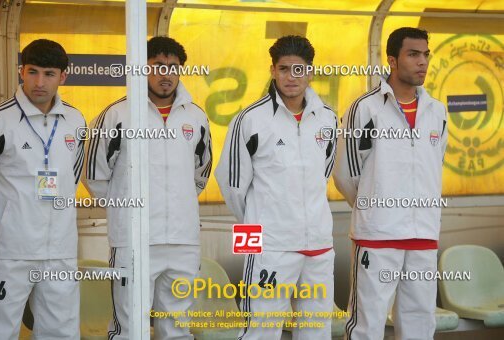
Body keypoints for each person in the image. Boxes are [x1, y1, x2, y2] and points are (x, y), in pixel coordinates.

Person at [84, 36, 212, 340]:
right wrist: (126, 211)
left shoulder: (196, 117)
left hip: (183, 240)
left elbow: (200, 173)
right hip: (134, 241)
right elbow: (95, 176)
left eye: (172, 67)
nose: (165, 74)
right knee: (130, 328)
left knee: (178, 326)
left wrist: (177, 203)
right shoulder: (117, 115)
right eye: (157, 66)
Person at [215, 35, 338, 340]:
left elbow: (323, 174)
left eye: (299, 70)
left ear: (310, 72)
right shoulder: (250, 119)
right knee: (261, 330)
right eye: (284, 69)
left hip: (319, 244)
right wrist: (259, 225)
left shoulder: (329, 118)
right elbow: (231, 184)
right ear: (272, 70)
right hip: (266, 244)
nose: (291, 77)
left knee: (316, 331)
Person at [333, 27, 448, 340]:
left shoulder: (437, 112)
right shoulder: (365, 108)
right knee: (366, 327)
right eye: (413, 54)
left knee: (421, 325)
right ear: (393, 60)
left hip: (423, 235)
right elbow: (345, 174)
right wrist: (376, 208)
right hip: (377, 237)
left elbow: (432, 168)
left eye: (426, 55)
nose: (422, 62)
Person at [0, 39, 85, 339]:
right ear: (21, 72)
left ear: (63, 77)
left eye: (49, 74)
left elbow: (72, 177)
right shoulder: (0, 121)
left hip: (60, 248)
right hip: (10, 250)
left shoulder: (75, 120)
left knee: (61, 331)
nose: (39, 82)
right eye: (33, 72)